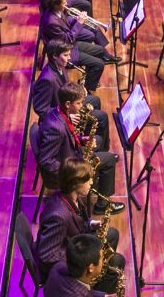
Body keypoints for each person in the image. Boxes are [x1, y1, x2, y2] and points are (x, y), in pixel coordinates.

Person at [36, 159, 126, 293]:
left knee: (112, 233)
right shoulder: (58, 216)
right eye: (88, 179)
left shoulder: (71, 197)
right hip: (67, 266)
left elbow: (78, 220)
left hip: (75, 242)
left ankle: (100, 270)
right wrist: (82, 258)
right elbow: (47, 255)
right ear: (75, 183)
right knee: (118, 261)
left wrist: (91, 224)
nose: (91, 182)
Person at [35, 83, 123, 213]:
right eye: (79, 103)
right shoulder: (56, 128)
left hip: (70, 154)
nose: (82, 106)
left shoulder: (60, 113)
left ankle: (98, 177)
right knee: (109, 160)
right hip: (67, 170)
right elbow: (46, 161)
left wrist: (83, 140)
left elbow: (68, 136)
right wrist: (74, 170)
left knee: (97, 140)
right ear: (68, 104)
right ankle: (102, 206)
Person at [32, 40, 109, 148]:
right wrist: (65, 117)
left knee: (95, 100)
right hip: (61, 113)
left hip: (67, 103)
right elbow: (40, 109)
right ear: (54, 56)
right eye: (66, 55)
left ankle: (84, 137)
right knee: (102, 117)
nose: (69, 58)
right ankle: (98, 147)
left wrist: (78, 91)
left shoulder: (60, 65)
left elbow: (65, 86)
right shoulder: (47, 80)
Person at [39, 0, 111, 92]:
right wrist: (79, 22)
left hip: (70, 45)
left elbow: (66, 23)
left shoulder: (57, 11)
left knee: (100, 50)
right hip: (64, 52)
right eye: (63, 3)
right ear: (55, 5)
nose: (66, 4)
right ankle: (87, 89)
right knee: (98, 64)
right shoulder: (51, 22)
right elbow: (67, 39)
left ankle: (90, 74)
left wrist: (76, 19)